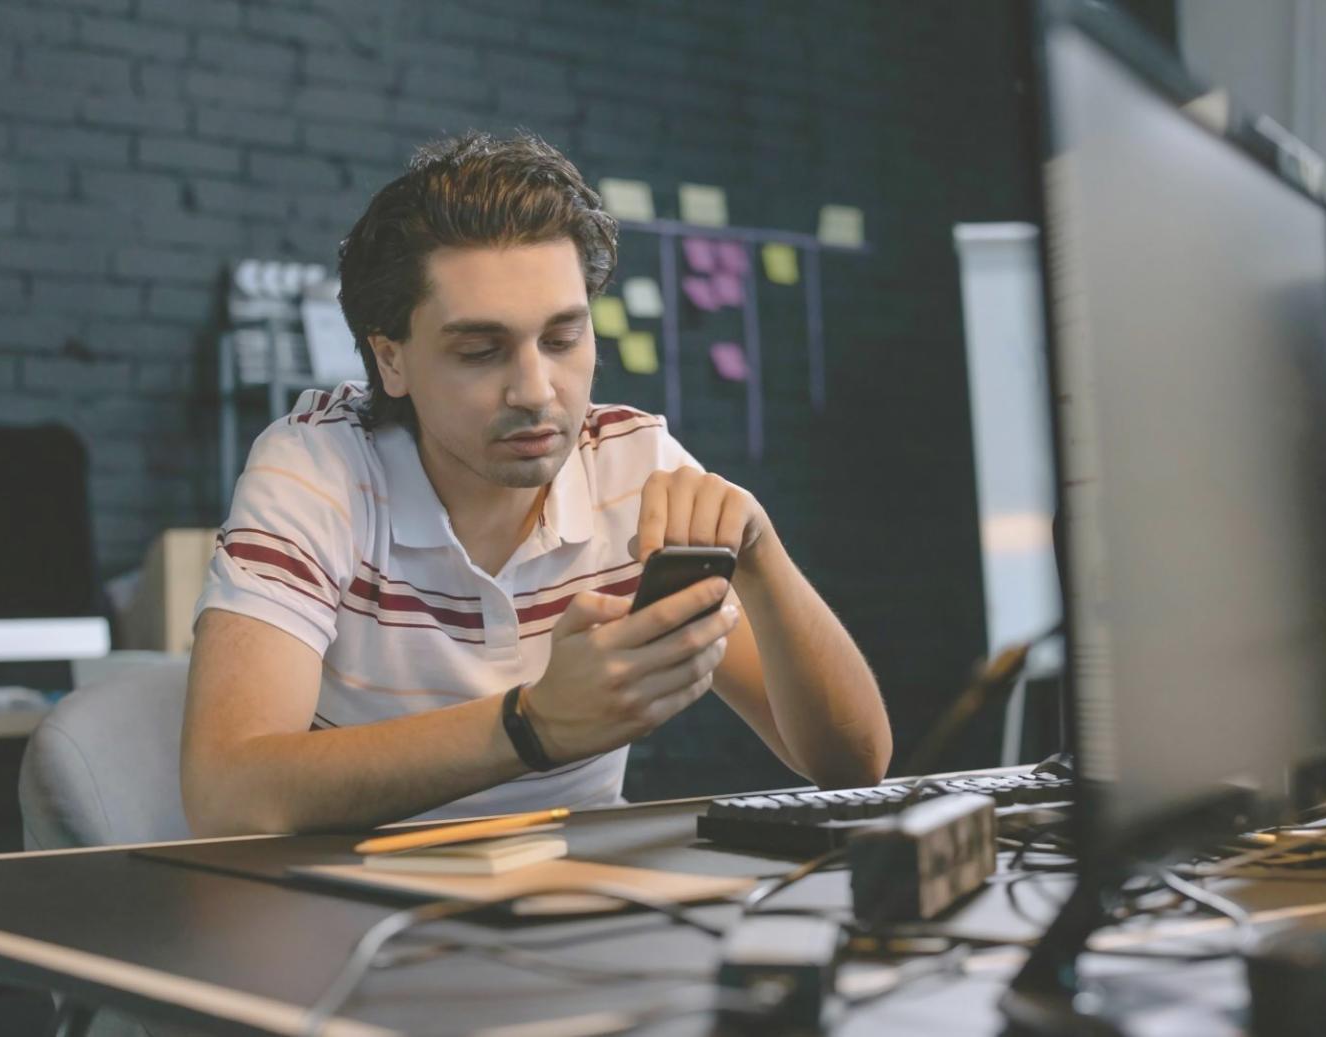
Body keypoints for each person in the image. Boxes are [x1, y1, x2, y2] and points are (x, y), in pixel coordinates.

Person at [181, 132, 892, 836]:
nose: (534, 389)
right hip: (348, 906)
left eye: (562, 339)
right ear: (390, 360)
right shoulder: (317, 469)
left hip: (579, 895)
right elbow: (228, 793)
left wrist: (763, 558)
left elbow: (852, 764)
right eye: (480, 351)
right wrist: (533, 724)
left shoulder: (635, 466)